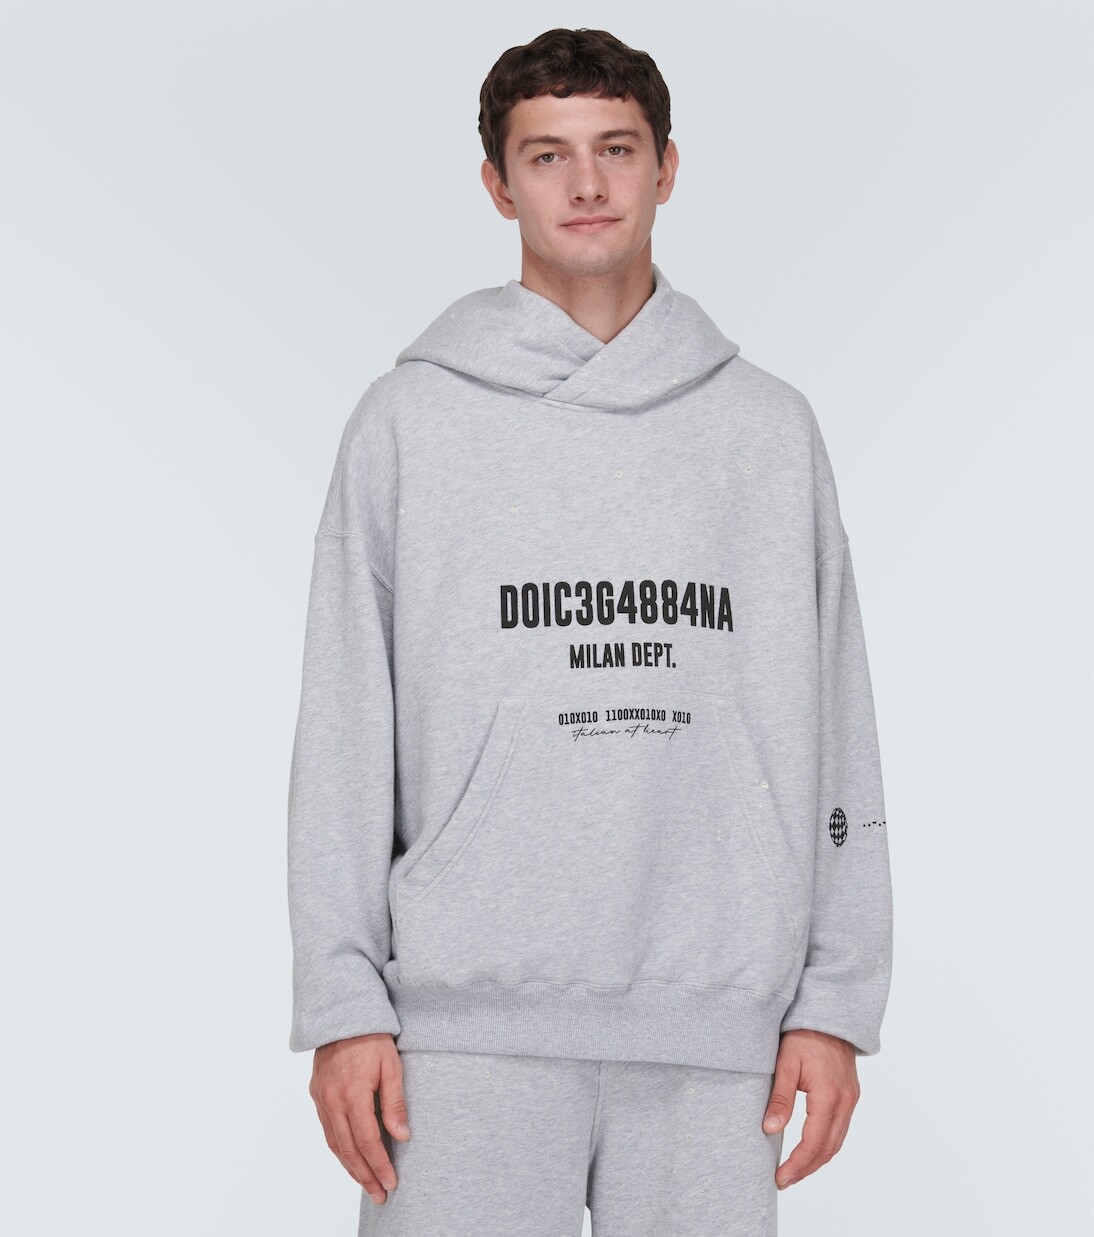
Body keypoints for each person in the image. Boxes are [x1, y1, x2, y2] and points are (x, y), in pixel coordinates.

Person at [286, 26, 893, 1236]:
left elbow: (837, 724)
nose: (584, 184)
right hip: (460, 1032)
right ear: (496, 184)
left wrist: (834, 996)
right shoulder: (407, 424)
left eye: (614, 149)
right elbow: (347, 725)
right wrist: (341, 1000)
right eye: (546, 155)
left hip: (714, 1030)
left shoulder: (766, 431)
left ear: (665, 167)